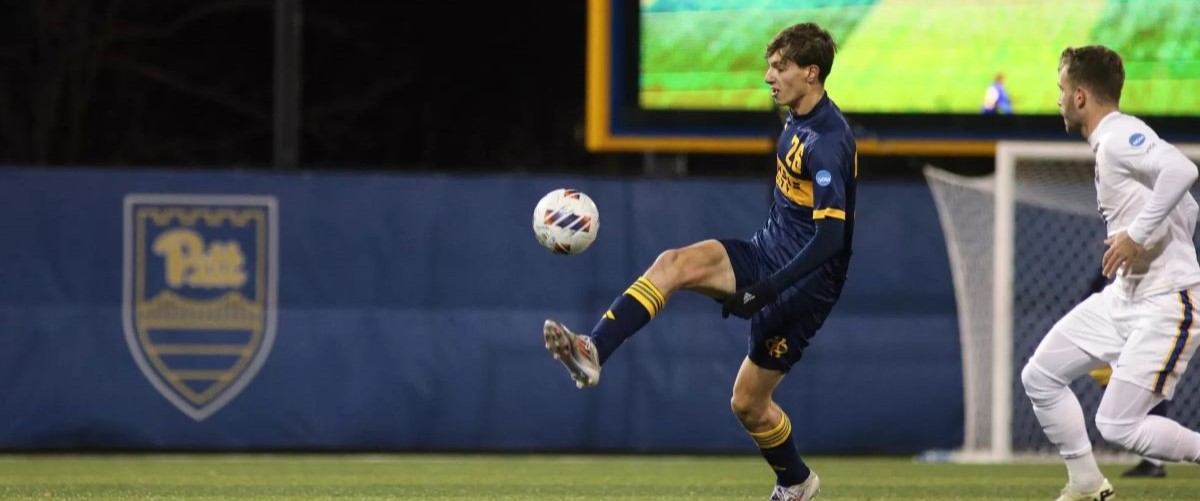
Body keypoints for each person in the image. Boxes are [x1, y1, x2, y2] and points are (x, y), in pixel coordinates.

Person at [542, 22, 855, 501]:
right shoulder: (795, 116)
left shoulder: (827, 141)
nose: (769, 77)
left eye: (780, 67)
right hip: (766, 252)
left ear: (811, 73)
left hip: (803, 284)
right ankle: (594, 350)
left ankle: (796, 482)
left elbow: (832, 238)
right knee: (673, 264)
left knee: (748, 405)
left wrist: (768, 289)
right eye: (768, 66)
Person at [1021, 45, 1200, 501]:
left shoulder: (1120, 136)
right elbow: (1189, 207)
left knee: (1117, 423)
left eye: (1061, 89)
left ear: (1080, 96)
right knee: (1040, 375)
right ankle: (1085, 483)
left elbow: (1182, 169)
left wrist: (1138, 235)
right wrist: (1163, 234)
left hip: (1166, 300)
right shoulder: (1112, 142)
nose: (1057, 99)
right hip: (1125, 297)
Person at [1082, 272, 1170, 479]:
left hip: (1153, 312)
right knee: (1106, 372)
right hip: (1122, 309)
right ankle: (1153, 458)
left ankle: (1154, 459)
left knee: (1147, 385)